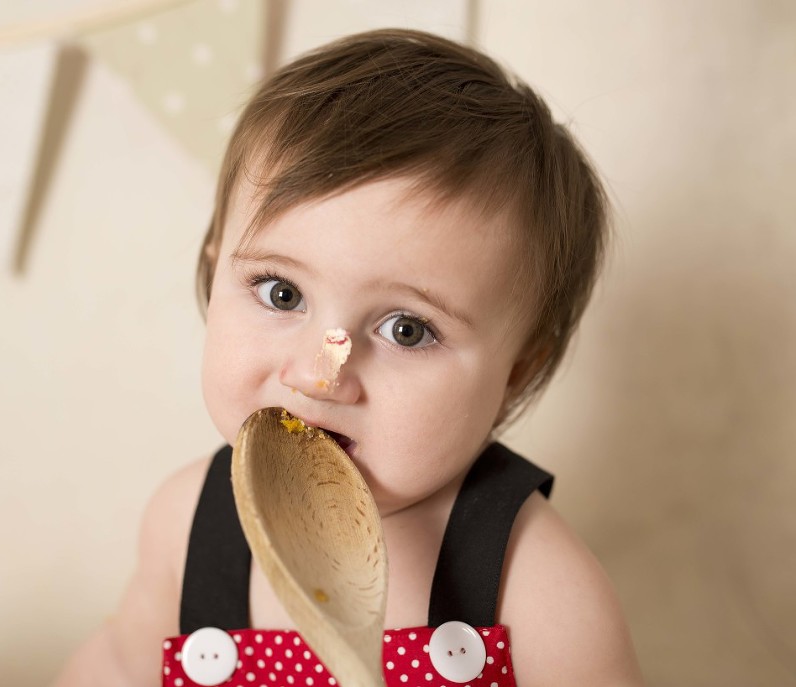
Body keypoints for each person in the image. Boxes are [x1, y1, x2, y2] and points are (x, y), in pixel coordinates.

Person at [54, 28, 644, 687]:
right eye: (282, 293)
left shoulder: (534, 581)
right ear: (216, 271)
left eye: (407, 329)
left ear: (516, 373)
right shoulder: (189, 523)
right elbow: (120, 662)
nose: (320, 373)